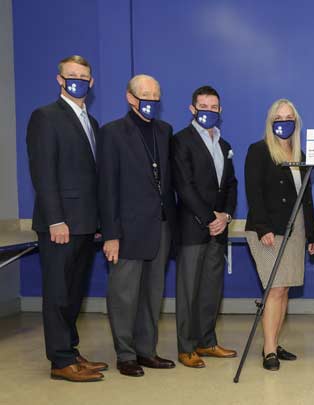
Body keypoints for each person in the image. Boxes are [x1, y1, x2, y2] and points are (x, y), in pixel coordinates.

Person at [26, 55, 107, 382]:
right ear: (59, 79)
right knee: (58, 293)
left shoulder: (93, 122)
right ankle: (60, 360)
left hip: (86, 224)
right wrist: (56, 219)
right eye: (71, 75)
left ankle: (71, 351)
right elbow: (43, 173)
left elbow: (94, 176)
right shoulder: (45, 117)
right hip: (60, 225)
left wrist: (99, 222)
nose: (77, 80)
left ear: (91, 82)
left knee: (74, 294)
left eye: (83, 76)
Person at [98, 74, 177, 377]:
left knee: (152, 294)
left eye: (156, 96)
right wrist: (111, 235)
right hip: (127, 231)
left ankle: (147, 351)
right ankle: (126, 354)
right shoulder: (113, 133)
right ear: (130, 98)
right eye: (145, 95)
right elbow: (107, 187)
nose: (151, 101)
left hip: (160, 228)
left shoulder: (165, 131)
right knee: (124, 295)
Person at [244, 99, 314, 371]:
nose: (284, 121)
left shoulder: (300, 154)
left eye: (289, 117)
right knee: (274, 289)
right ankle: (268, 350)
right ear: (270, 121)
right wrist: (264, 229)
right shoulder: (259, 151)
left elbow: (306, 199)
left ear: (296, 122)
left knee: (284, 288)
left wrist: (312, 235)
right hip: (269, 230)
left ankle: (274, 342)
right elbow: (255, 194)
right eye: (279, 116)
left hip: (295, 228)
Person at [172, 86, 238, 368]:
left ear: (220, 111)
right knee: (188, 291)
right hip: (192, 228)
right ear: (192, 108)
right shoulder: (181, 140)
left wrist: (226, 216)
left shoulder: (224, 145)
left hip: (219, 229)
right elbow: (184, 186)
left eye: (214, 107)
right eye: (203, 106)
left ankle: (206, 341)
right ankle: (186, 347)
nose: (208, 111)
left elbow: (232, 185)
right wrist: (210, 218)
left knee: (211, 289)